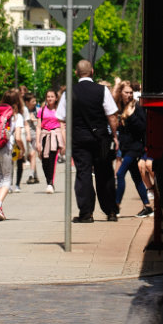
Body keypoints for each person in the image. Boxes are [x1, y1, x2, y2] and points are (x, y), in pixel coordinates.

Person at [56, 60, 119, 223]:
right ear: (92, 72)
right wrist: (115, 136)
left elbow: (61, 118)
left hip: (78, 139)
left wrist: (65, 139)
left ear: (76, 73)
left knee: (83, 173)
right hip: (101, 139)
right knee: (105, 173)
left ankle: (86, 213)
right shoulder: (102, 90)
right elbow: (112, 116)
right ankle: (111, 211)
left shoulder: (69, 92)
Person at [113, 81, 153, 218]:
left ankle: (116, 205)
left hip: (135, 148)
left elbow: (143, 127)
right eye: (126, 92)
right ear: (121, 93)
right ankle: (147, 206)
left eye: (131, 92)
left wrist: (131, 116)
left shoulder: (136, 107)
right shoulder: (119, 107)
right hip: (126, 147)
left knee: (120, 174)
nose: (129, 95)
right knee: (136, 178)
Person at [0, 88, 25, 220]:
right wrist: (22, 150)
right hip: (5, 147)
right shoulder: (17, 116)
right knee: (7, 179)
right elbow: (19, 137)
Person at [35, 89, 64, 194]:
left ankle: (50, 183)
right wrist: (38, 142)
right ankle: (49, 181)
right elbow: (38, 127)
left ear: (56, 98)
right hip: (44, 136)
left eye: (52, 96)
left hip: (55, 136)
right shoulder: (41, 111)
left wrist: (64, 142)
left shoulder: (59, 110)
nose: (50, 98)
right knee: (44, 161)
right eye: (48, 96)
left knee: (52, 159)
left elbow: (62, 125)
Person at [23, 92, 41, 184]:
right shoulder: (23, 110)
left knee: (34, 154)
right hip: (26, 135)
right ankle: (33, 176)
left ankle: (32, 175)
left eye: (35, 101)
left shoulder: (38, 110)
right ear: (27, 102)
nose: (34, 103)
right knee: (31, 155)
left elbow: (42, 120)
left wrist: (35, 119)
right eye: (32, 101)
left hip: (36, 134)